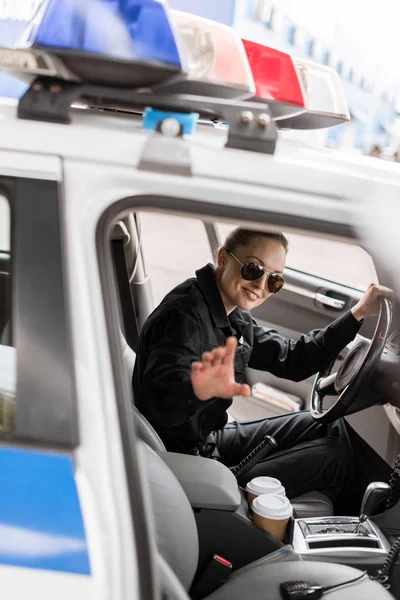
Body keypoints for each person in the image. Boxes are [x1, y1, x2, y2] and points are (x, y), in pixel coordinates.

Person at [133, 228, 393, 514]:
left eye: (274, 280)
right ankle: (374, 526)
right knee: (336, 458)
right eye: (253, 268)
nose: (260, 285)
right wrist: (197, 390)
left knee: (330, 425)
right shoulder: (183, 316)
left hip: (212, 438)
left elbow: (293, 359)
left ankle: (386, 507)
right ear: (223, 258)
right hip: (192, 464)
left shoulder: (232, 314)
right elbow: (159, 404)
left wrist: (357, 313)